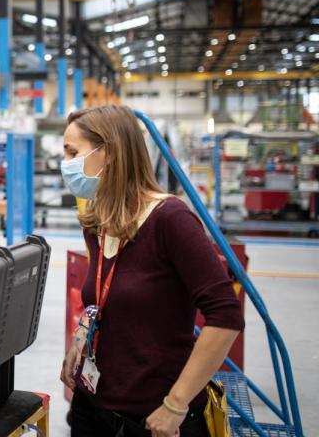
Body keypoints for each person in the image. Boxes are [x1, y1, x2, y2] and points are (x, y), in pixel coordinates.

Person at [59, 105, 244, 437]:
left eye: (73, 152)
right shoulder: (98, 221)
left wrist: (176, 404)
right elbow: (104, 296)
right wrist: (81, 335)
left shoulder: (170, 219)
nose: (65, 162)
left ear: (110, 153)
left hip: (153, 418)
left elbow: (225, 315)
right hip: (92, 409)